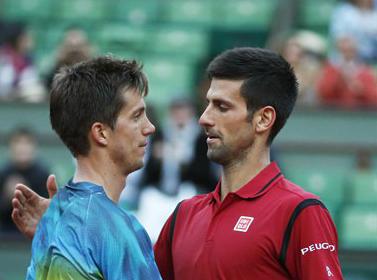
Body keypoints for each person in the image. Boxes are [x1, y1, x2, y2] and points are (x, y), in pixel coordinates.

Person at [12, 48, 343, 279]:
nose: (204, 119)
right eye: (207, 104)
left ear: (263, 120)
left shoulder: (300, 212)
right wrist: (67, 234)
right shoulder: (184, 216)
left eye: (221, 107)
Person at [16, 56, 161, 279]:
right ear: (101, 133)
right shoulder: (120, 230)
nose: (149, 127)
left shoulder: (53, 222)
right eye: (137, 116)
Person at [0, 127, 49, 233]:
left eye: (27, 143)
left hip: (35, 233)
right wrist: (6, 197)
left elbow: (48, 212)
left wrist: (27, 195)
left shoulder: (43, 175)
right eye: (18, 142)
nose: (22, 147)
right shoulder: (3, 173)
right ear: (11, 147)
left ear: (34, 147)